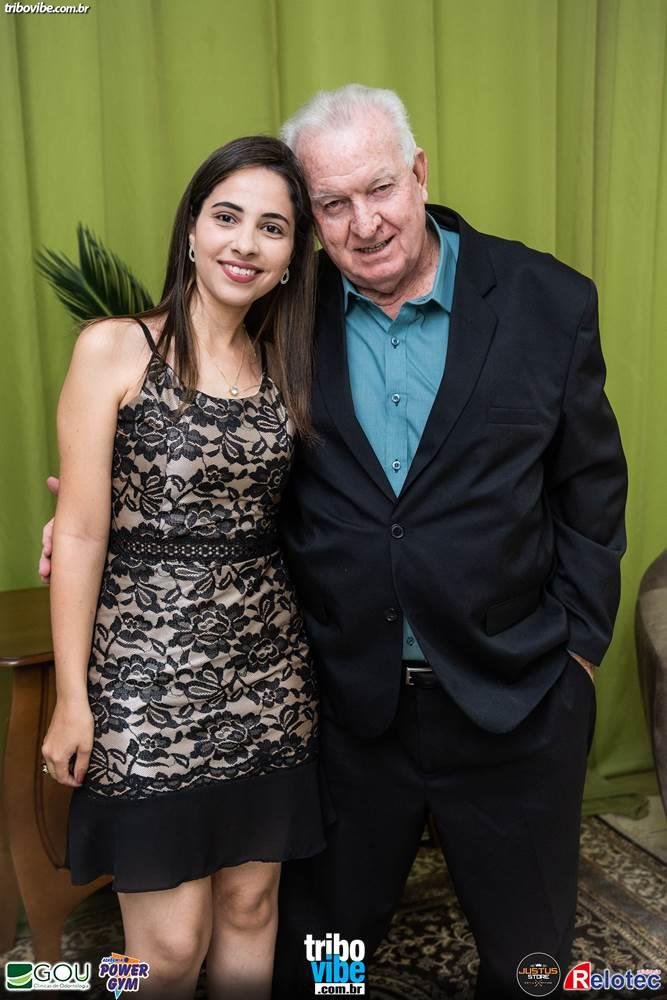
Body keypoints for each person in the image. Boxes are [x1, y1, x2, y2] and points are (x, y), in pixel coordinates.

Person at [41, 85, 628, 998]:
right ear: (311, 223)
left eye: (380, 188)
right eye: (333, 203)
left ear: (418, 173)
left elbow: (590, 489)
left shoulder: (545, 301)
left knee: (528, 967)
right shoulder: (284, 314)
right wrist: (101, 518)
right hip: (343, 706)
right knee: (322, 961)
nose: (365, 222)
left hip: (513, 698)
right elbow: (212, 457)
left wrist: (577, 656)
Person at [40, 135, 325, 1000]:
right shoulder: (115, 348)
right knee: (164, 951)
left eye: (272, 227)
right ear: (192, 230)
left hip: (268, 674)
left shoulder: (289, 364)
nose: (246, 243)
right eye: (227, 217)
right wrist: (72, 698)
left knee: (250, 908)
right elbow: (81, 533)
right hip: (142, 678)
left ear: (291, 256)